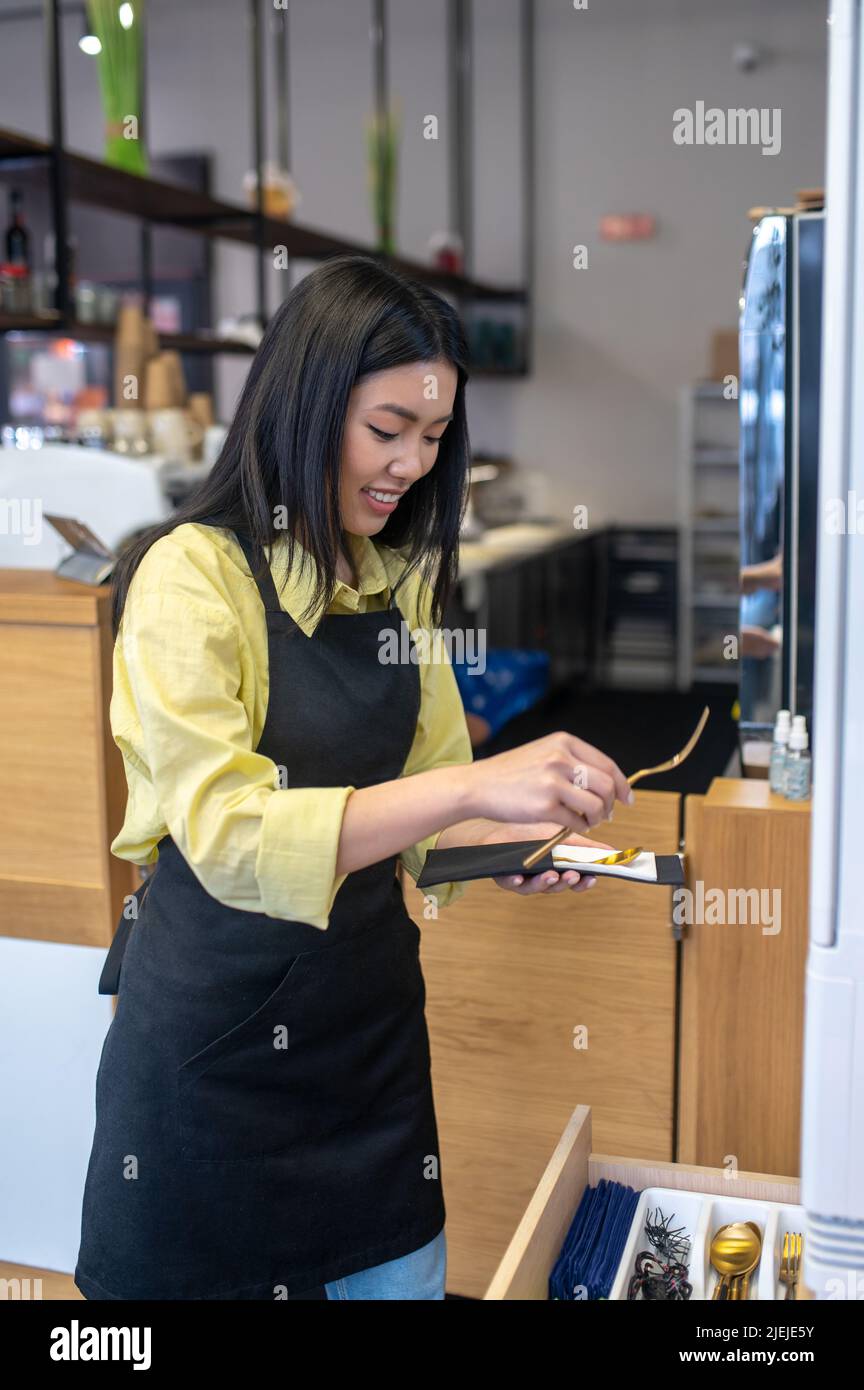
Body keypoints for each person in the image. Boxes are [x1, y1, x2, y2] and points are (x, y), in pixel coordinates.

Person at [74, 254, 631, 1302]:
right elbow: (233, 836)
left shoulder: (390, 582)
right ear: (308, 399)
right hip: (210, 1066)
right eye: (388, 430)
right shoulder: (189, 576)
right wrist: (475, 789)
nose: (414, 465)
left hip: (367, 1060)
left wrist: (508, 847)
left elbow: (423, 808)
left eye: (433, 438)